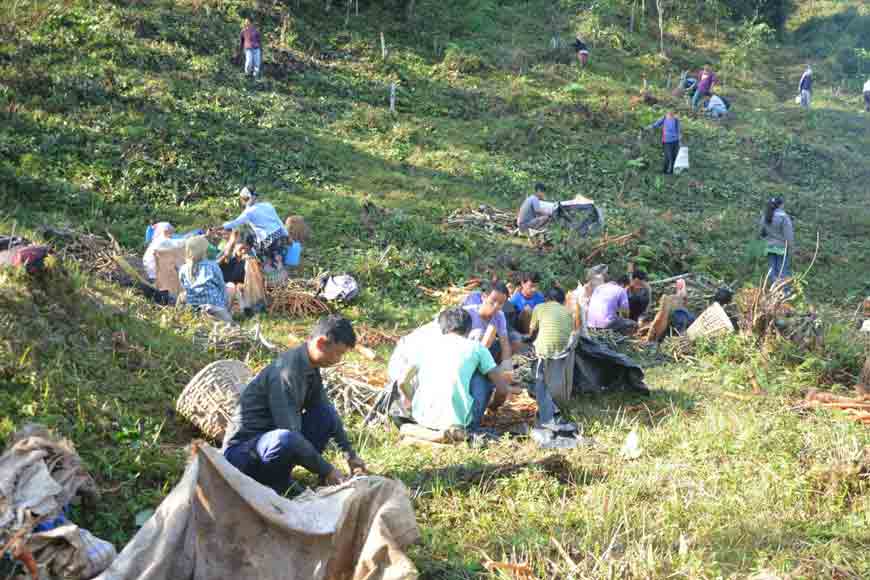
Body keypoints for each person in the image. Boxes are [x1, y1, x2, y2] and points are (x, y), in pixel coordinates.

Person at [223, 316, 366, 493]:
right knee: (286, 439)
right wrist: (328, 469)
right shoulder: (287, 373)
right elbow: (290, 436)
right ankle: (276, 484)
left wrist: (350, 454)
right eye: (338, 353)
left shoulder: (309, 367)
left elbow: (326, 411)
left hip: (268, 445)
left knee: (326, 414)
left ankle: (286, 478)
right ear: (321, 343)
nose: (338, 359)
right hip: (242, 456)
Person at [409, 308, 510, 434]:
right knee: (483, 375)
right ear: (468, 328)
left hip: (421, 419)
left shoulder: (425, 346)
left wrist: (412, 402)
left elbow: (402, 381)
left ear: (442, 327)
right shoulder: (476, 348)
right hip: (458, 423)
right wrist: (493, 406)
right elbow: (502, 390)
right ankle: (471, 425)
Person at [223, 187, 289, 269]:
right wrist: (287, 234)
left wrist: (221, 226)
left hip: (269, 240)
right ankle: (278, 271)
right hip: (280, 235)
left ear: (244, 199)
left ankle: (263, 271)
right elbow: (278, 221)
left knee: (262, 260)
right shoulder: (267, 205)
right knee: (279, 261)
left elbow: (235, 223)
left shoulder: (249, 211)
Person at [178, 236, 233, 323]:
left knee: (182, 295)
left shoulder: (183, 268)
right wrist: (225, 305)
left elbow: (184, 287)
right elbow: (222, 288)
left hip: (192, 307)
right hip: (214, 307)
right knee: (230, 288)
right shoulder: (212, 266)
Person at [759, 196, 794, 286]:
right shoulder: (783, 217)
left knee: (772, 271)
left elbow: (761, 232)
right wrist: (790, 247)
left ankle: (773, 292)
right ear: (781, 205)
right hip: (782, 247)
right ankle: (784, 293)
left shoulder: (765, 216)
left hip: (769, 247)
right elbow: (788, 235)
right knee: (783, 271)